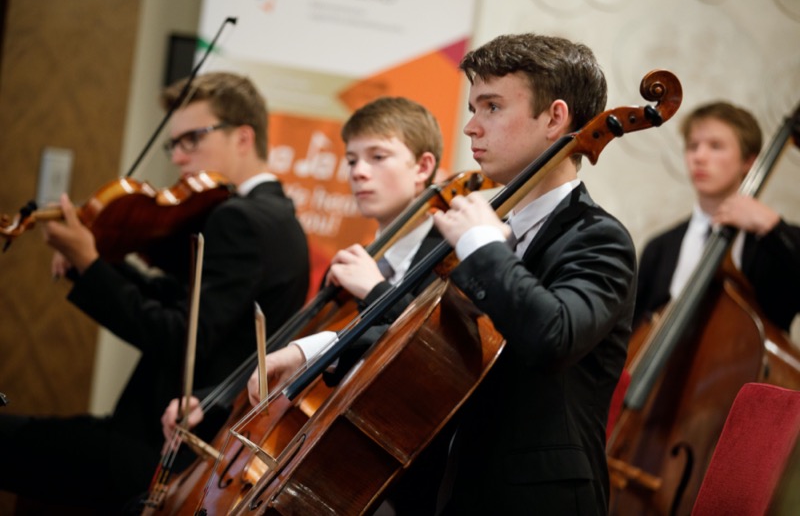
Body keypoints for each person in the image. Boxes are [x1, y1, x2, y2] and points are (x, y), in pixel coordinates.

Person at [0, 72, 310, 513]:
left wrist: (90, 264)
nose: (179, 157)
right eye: (173, 144)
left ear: (243, 137)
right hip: (175, 447)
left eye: (192, 139)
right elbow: (178, 300)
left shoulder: (239, 219)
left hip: (161, 453)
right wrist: (95, 264)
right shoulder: (280, 218)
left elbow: (179, 337)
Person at [161, 96, 447, 512]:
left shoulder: (446, 255)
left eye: (378, 156)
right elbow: (304, 353)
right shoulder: (359, 260)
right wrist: (210, 402)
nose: (358, 171)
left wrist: (375, 288)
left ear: (422, 167)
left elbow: (429, 350)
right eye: (351, 160)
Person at [429, 33, 636, 515]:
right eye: (474, 108)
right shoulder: (489, 228)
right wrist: (311, 350)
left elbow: (553, 336)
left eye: (492, 107)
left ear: (555, 118)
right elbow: (429, 338)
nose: (470, 127)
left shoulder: (599, 239)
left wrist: (483, 248)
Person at [634, 101, 800, 332]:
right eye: (692, 146)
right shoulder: (659, 248)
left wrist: (772, 226)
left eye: (716, 146)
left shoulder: (774, 243)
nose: (699, 157)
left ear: (748, 161)